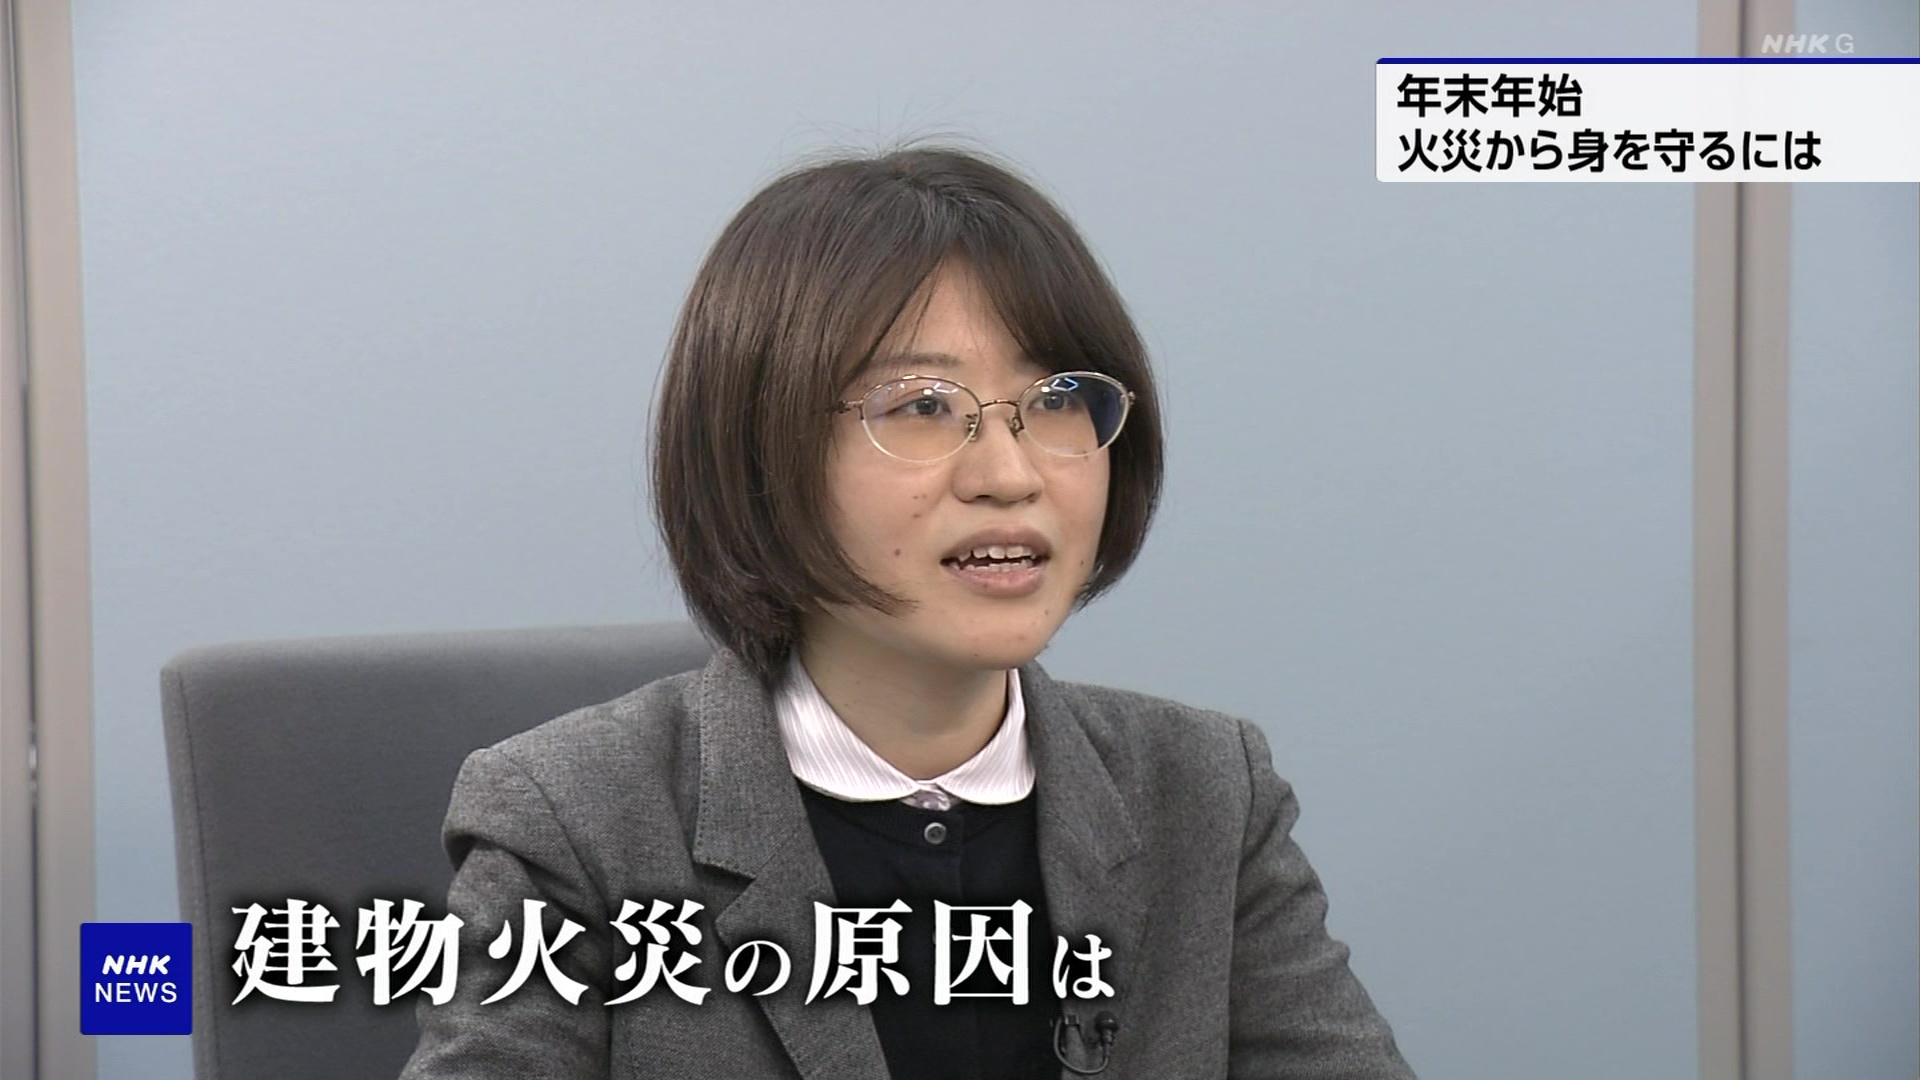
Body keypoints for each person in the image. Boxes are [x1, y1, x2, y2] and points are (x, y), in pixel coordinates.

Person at [399, 144, 1414, 1079]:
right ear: (760, 450)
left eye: (1058, 400)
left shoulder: (1206, 792)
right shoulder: (576, 821)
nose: (1010, 473)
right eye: (924, 406)